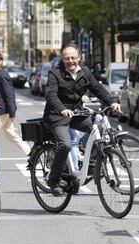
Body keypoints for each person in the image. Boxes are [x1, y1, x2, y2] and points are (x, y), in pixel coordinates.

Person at [43, 43, 120, 196]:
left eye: (73, 58)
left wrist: (112, 101)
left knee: (99, 129)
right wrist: (62, 109)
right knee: (64, 145)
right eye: (67, 58)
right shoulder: (55, 73)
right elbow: (51, 95)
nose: (70, 61)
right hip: (57, 116)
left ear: (79, 58)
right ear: (62, 59)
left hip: (77, 114)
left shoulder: (84, 72)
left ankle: (91, 166)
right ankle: (54, 180)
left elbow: (98, 89)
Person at [0, 52, 31, 155]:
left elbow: (9, 93)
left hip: (1, 110)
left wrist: (12, 113)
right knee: (11, 134)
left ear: (0, 62)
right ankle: (31, 153)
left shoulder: (2, 74)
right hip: (2, 109)